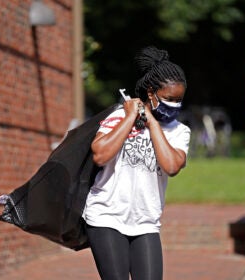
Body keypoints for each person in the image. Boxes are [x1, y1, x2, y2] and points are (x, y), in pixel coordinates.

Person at [82, 46, 191, 280]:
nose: (174, 105)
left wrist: (152, 123)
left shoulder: (179, 132)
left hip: (146, 221)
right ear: (151, 93)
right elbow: (100, 154)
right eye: (169, 99)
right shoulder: (118, 117)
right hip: (106, 216)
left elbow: (172, 166)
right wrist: (131, 116)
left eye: (179, 100)